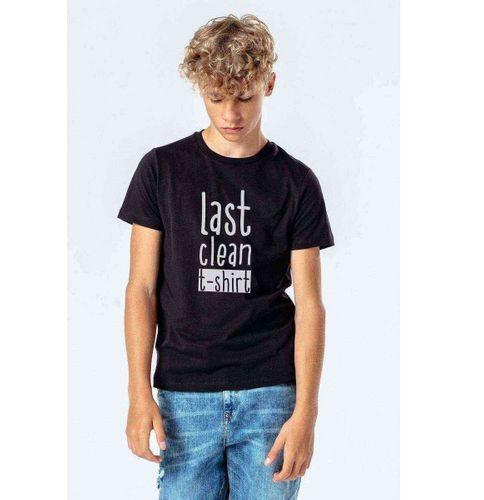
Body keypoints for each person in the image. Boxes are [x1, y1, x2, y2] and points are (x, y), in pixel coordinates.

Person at [117, 13, 334, 499]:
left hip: (270, 393)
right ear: (200, 90)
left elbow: (311, 305)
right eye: (216, 97)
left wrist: (306, 414)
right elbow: (141, 288)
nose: (230, 113)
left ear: (269, 84)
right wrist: (138, 392)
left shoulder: (296, 182)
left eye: (244, 97)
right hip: (183, 396)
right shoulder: (161, 170)